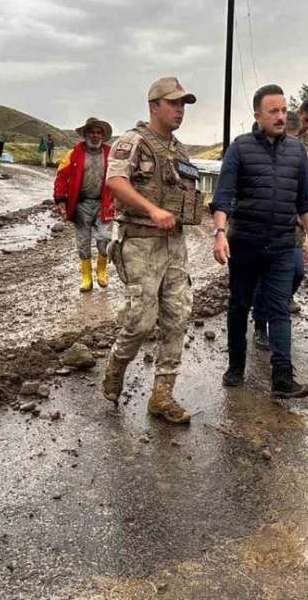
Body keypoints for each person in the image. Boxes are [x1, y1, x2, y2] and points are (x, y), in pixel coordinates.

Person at [101, 77, 203, 425]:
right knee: (141, 321)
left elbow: (186, 192)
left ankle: (162, 396)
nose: (180, 110)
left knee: (177, 316)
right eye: (173, 103)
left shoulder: (179, 151)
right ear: (154, 106)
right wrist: (152, 210)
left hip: (175, 244)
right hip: (140, 242)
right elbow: (115, 182)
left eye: (183, 105)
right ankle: (117, 364)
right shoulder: (133, 142)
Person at [210, 84, 308, 399]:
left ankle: (282, 378)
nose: (281, 116)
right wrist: (219, 234)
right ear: (258, 115)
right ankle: (236, 365)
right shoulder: (240, 148)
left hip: (284, 244)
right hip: (245, 242)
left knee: (280, 309)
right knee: (239, 305)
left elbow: (306, 201)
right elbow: (223, 198)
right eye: (274, 111)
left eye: (284, 110)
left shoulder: (298, 151)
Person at [250, 111, 306, 350]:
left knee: (297, 271)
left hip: (291, 231)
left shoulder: (298, 153)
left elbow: (305, 193)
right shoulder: (253, 151)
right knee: (263, 280)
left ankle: (278, 302)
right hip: (260, 232)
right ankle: (261, 325)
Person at [54, 117, 115, 293]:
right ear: (86, 134)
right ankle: (86, 277)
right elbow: (61, 176)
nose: (95, 136)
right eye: (92, 132)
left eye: (99, 132)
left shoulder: (111, 154)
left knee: (104, 238)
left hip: (104, 203)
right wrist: (61, 199)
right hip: (81, 204)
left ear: (103, 135)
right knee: (83, 242)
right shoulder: (75, 153)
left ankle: (102, 271)